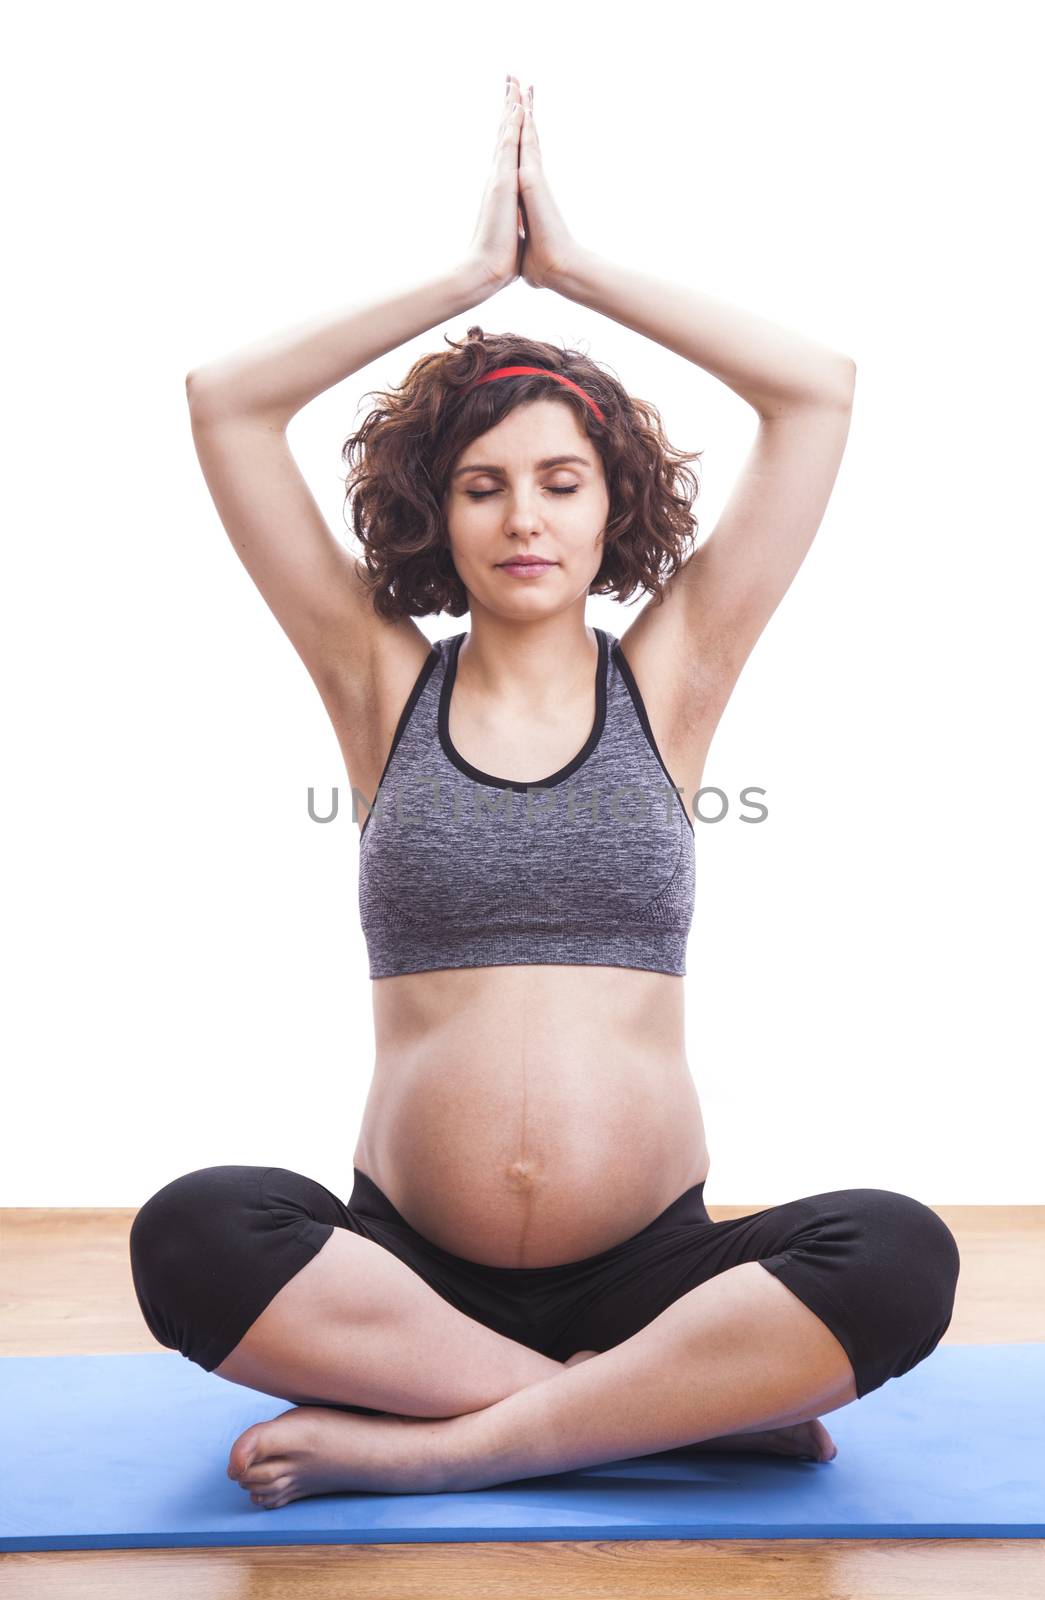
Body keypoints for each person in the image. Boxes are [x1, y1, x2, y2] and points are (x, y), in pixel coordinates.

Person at [129, 75, 960, 1507]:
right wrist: (465, 279)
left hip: (655, 1269)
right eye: (483, 485)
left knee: (901, 1255)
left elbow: (815, 391)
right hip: (406, 1286)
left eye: (562, 482)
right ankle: (662, 1416)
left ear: (611, 502)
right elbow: (226, 405)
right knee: (190, 1234)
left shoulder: (675, 680)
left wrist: (567, 268)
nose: (524, 517)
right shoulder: (381, 684)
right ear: (431, 515)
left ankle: (452, 1448)